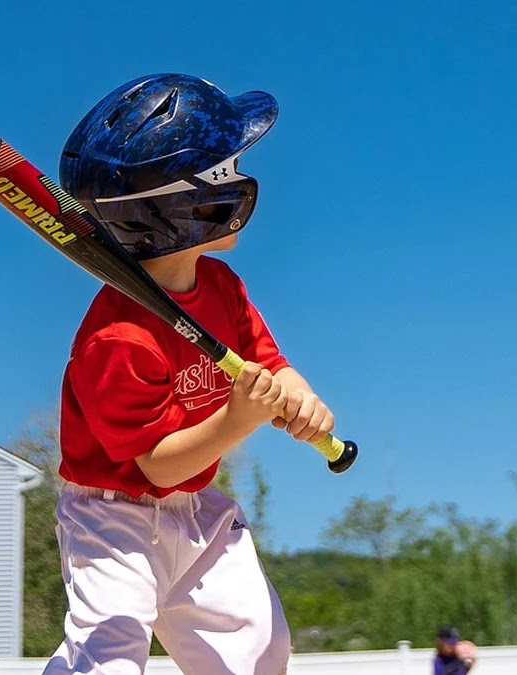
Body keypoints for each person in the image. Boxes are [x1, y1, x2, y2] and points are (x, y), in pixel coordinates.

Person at [42, 73, 340, 675]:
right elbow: (159, 462)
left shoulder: (222, 287)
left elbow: (270, 364)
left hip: (196, 510)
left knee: (258, 653)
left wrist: (302, 399)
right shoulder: (116, 339)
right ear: (178, 209)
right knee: (110, 658)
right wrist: (238, 419)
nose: (239, 179)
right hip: (113, 517)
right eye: (223, 173)